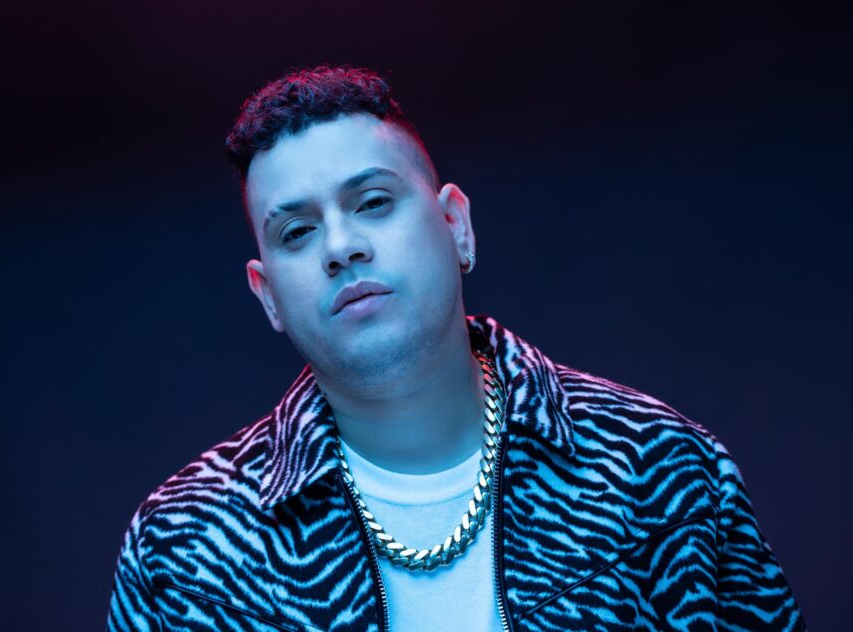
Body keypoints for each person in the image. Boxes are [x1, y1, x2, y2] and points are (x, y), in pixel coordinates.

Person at [107, 65, 805, 631]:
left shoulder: (658, 469)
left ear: (457, 226)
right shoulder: (185, 548)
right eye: (297, 232)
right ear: (268, 297)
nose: (341, 247)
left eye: (373, 202)